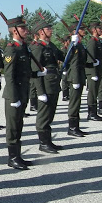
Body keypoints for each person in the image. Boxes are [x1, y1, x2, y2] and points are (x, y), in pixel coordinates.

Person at [2, 16, 33, 169]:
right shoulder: (11, 49)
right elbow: (9, 75)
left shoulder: (23, 47)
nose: (26, 31)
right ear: (14, 31)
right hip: (13, 95)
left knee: (19, 125)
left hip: (22, 92)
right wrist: (14, 97)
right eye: (23, 29)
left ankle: (18, 156)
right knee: (13, 127)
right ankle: (12, 157)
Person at [30, 21, 64, 153]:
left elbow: (63, 56)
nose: (51, 30)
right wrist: (40, 91)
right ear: (40, 32)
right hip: (45, 85)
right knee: (44, 115)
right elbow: (35, 71)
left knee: (50, 114)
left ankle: (48, 141)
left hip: (54, 84)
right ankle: (43, 143)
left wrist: (74, 44)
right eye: (48, 28)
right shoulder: (38, 47)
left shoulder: (50, 45)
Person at [65, 25, 88, 137]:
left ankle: (76, 127)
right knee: (74, 103)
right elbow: (69, 60)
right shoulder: (73, 45)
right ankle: (72, 128)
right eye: (81, 29)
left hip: (80, 75)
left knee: (77, 102)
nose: (84, 31)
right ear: (75, 31)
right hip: (75, 77)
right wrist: (72, 46)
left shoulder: (80, 44)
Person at [85, 22, 102, 121]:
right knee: (92, 93)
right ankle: (91, 113)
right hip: (93, 72)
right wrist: (93, 73)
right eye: (99, 28)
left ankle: (94, 112)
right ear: (94, 30)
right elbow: (90, 59)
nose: (101, 30)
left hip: (98, 70)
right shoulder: (92, 42)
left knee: (95, 91)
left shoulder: (97, 41)